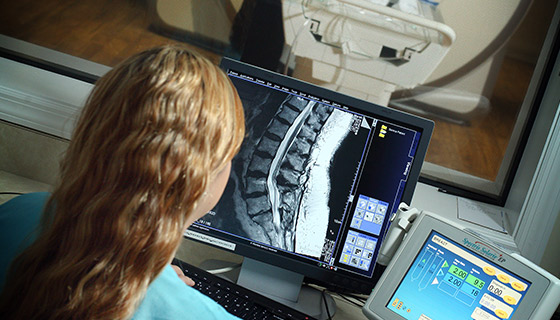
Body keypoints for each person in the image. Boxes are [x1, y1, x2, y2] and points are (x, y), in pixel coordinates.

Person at [0, 45, 245, 319]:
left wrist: (159, 280)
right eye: (228, 157)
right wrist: (165, 291)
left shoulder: (18, 213)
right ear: (200, 181)